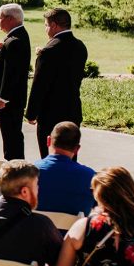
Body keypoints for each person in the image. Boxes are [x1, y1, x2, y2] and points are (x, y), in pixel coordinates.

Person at [26, 8, 88, 158]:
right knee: (70, 158)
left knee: (49, 158)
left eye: (46, 25)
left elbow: (39, 85)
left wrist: (31, 113)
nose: (45, 29)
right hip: (72, 110)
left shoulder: (48, 52)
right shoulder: (80, 47)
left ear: (54, 25)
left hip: (50, 114)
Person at [0, 3, 31, 160]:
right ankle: (13, 164)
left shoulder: (15, 40)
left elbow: (12, 72)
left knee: (11, 135)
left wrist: (3, 97)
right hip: (11, 99)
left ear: (10, 19)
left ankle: (15, 166)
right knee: (10, 135)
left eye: (0, 17)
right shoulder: (15, 37)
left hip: (10, 100)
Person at [35, 122, 96, 216]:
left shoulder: (29, 172)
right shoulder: (90, 177)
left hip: (35, 229)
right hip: (73, 229)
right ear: (77, 149)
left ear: (48, 141)